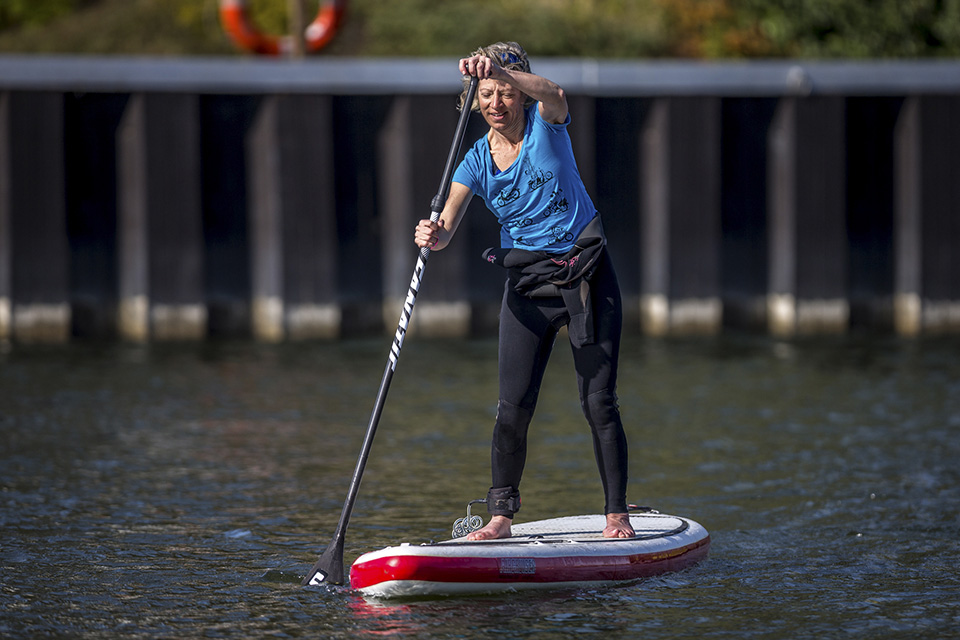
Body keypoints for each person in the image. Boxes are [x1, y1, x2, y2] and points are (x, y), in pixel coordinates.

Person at [414, 42, 634, 540]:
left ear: (519, 94)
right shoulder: (474, 161)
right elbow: (446, 226)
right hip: (528, 286)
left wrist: (504, 72)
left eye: (505, 92)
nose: (496, 103)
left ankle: (617, 515)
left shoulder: (545, 124)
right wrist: (433, 234)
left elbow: (554, 92)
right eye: (486, 95)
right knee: (511, 409)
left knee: (598, 401)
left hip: (585, 275)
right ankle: (500, 519)